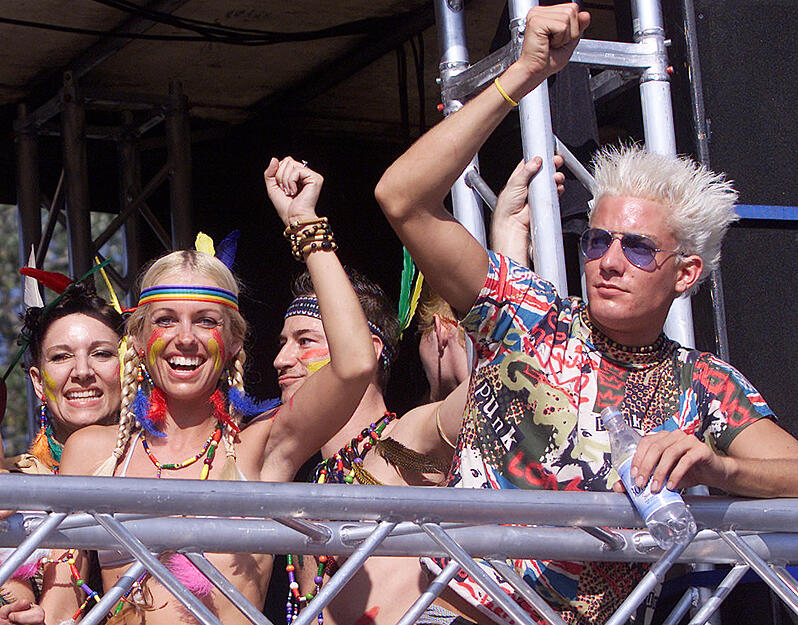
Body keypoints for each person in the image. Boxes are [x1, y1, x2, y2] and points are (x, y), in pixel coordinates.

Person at [375, 3, 798, 623]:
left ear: (685, 273)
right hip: (466, 611)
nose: (609, 261)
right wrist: (523, 74)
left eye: (638, 248)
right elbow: (402, 197)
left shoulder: (704, 385)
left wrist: (721, 467)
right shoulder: (528, 315)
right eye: (597, 240)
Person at [39, 156, 377, 625]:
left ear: (235, 340)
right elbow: (62, 601)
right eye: (165, 320)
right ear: (138, 339)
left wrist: (305, 226)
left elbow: (355, 363)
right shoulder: (93, 453)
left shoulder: (262, 447)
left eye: (206, 321)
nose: (185, 338)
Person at [277, 268, 471, 625]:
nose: (282, 359)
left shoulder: (405, 440)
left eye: (304, 341)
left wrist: (457, 351)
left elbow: (496, 387)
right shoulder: (310, 485)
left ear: (369, 349)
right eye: (283, 343)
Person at [0, 280, 124, 625]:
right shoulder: (14, 485)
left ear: (129, 367)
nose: (82, 372)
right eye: (61, 356)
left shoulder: (167, 465)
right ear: (39, 381)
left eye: (102, 353)